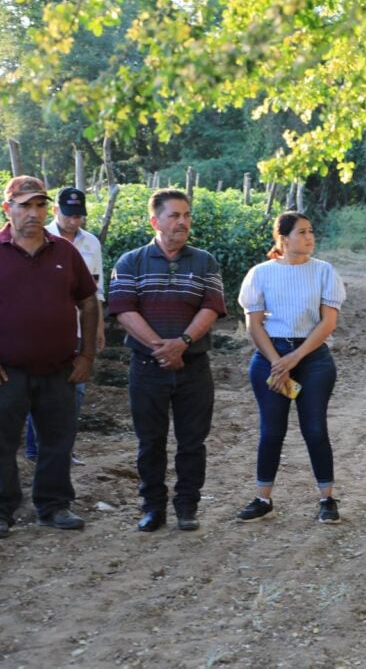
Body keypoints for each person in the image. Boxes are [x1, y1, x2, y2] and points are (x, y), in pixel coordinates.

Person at [108, 188, 227, 532]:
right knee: (150, 442)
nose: (183, 221)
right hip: (147, 367)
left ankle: (187, 507)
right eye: (174, 215)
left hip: (194, 367)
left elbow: (211, 307)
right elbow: (123, 310)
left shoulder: (205, 261)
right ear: (154, 221)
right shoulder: (131, 261)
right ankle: (152, 508)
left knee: (193, 442)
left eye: (187, 215)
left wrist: (184, 343)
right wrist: (163, 348)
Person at [0, 176, 98, 536]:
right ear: (7, 208)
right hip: (7, 371)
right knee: (2, 443)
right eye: (24, 205)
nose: (33, 213)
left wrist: (86, 354)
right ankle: (2, 509)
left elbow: (87, 302)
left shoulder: (64, 252)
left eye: (40, 205)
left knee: (57, 442)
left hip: (59, 369)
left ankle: (54, 506)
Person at [234, 212, 346, 524]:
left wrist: (293, 359)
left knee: (315, 428)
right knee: (271, 430)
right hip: (271, 354)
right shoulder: (260, 274)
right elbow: (253, 325)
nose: (309, 237)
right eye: (301, 232)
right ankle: (262, 498)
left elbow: (328, 322)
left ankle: (327, 499)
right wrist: (276, 362)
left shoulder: (324, 272)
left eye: (311, 231)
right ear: (283, 239)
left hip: (312, 358)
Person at [24, 187, 105, 465]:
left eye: (79, 216)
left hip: (80, 329)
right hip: (44, 331)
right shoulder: (37, 237)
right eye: (69, 215)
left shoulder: (91, 243)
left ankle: (63, 449)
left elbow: (96, 291)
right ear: (56, 211)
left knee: (75, 391)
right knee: (37, 393)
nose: (75, 221)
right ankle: (36, 450)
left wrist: (99, 329)